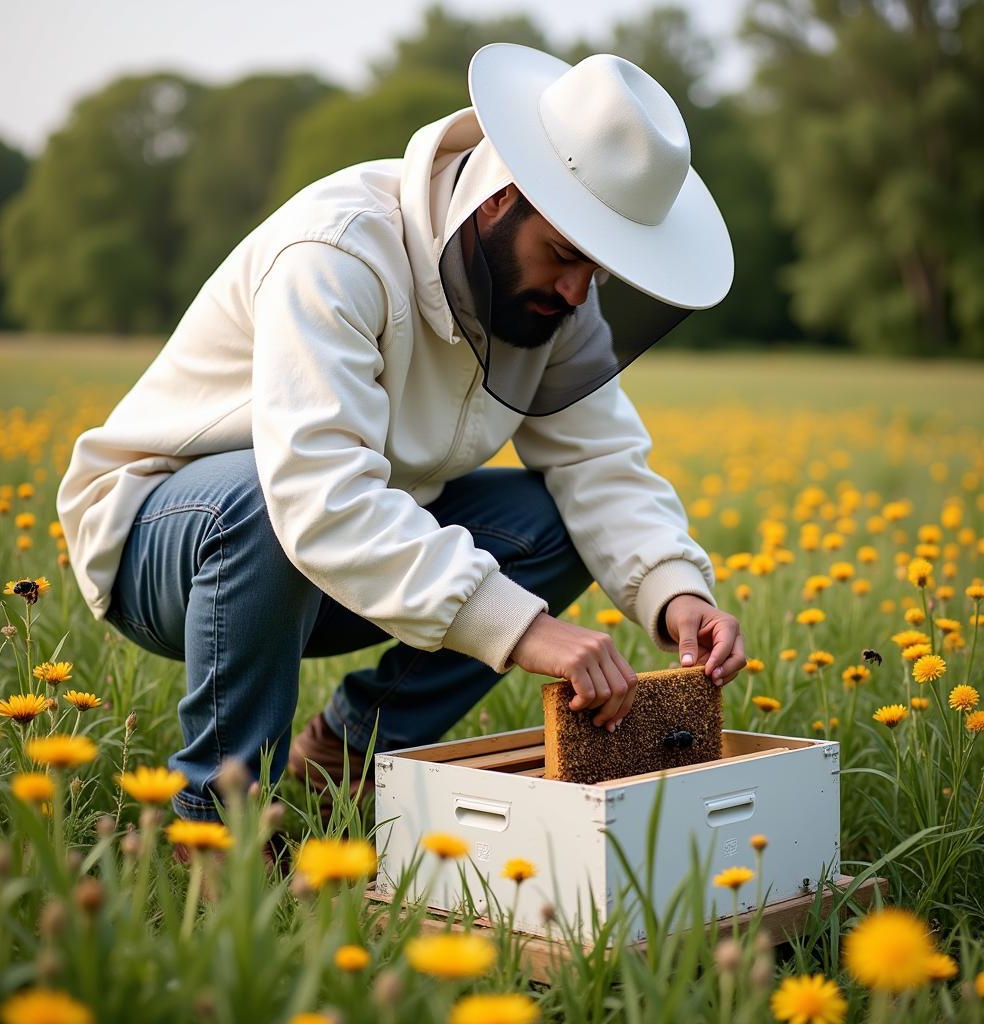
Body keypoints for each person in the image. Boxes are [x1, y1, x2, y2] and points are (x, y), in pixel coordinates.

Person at [57, 43, 746, 824]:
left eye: (599, 270)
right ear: (498, 200)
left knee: (558, 523)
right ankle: (215, 819)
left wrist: (675, 590)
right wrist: (525, 630)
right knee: (257, 497)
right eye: (562, 255)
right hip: (168, 545)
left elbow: (598, 461)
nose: (577, 289)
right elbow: (315, 494)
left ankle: (344, 756)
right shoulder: (338, 248)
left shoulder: (559, 303)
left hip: (331, 566)